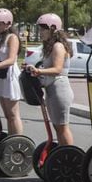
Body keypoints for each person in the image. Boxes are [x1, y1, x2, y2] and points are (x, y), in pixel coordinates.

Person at [27, 13, 74, 145]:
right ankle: (61, 153)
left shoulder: (58, 46)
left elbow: (57, 69)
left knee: (62, 128)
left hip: (60, 89)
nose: (41, 32)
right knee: (57, 127)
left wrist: (39, 71)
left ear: (53, 28)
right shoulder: (50, 46)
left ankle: (69, 157)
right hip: (52, 88)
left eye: (43, 29)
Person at [0, 8, 23, 135]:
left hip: (10, 76)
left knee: (13, 114)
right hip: (0, 75)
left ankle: (18, 142)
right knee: (7, 115)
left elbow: (11, 60)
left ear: (8, 24)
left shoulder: (12, 38)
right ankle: (10, 143)